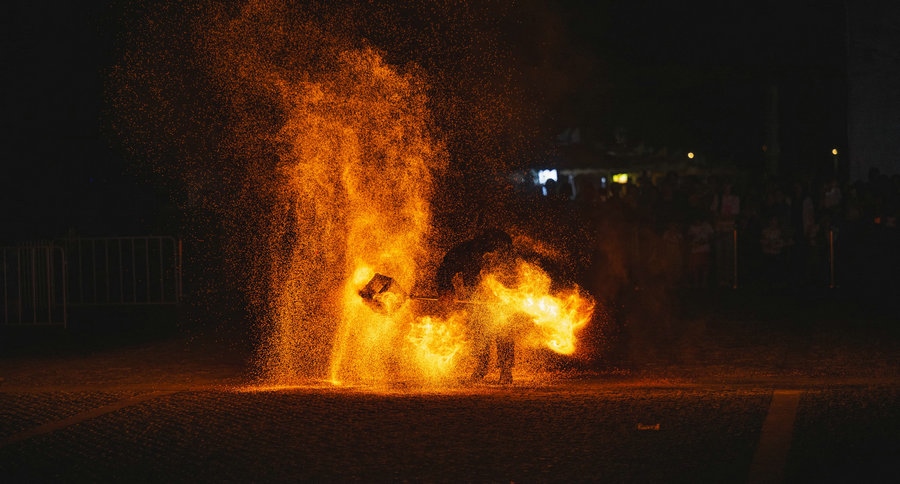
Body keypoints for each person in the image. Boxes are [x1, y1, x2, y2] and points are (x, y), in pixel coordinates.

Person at [435, 228, 517, 384]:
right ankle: (481, 366)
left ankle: (506, 369)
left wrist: (511, 293)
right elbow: (446, 268)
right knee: (479, 330)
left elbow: (521, 275)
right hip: (474, 296)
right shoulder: (466, 251)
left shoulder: (506, 251)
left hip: (502, 297)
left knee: (504, 329)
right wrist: (445, 289)